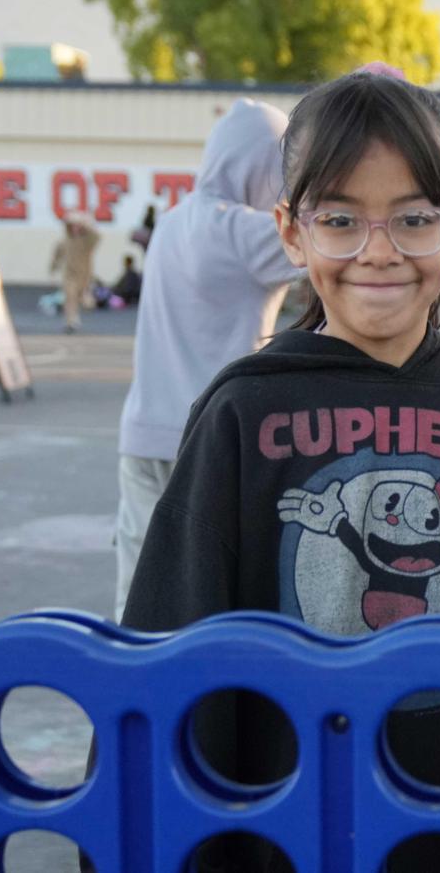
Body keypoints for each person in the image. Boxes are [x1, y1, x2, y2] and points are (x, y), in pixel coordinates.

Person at [122, 70, 440, 873]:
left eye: (413, 219)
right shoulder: (240, 416)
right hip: (282, 833)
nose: (378, 252)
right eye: (339, 219)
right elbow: (176, 655)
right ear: (292, 233)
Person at [113, 99, 303, 620]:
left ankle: (135, 699)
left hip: (142, 432)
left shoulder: (173, 222)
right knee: (208, 602)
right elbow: (336, 246)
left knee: (139, 598)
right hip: (207, 442)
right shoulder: (243, 232)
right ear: (261, 167)